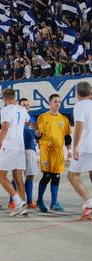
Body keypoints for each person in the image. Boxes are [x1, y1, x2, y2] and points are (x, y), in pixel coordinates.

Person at [0, 88, 29, 217]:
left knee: (0, 176)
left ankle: (18, 203)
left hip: (10, 146)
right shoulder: (23, 109)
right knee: (18, 178)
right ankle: (23, 208)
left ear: (4, 98)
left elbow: (5, 127)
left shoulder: (5, 110)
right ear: (14, 96)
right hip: (20, 147)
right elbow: (28, 122)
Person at [35, 94, 72, 213]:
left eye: (59, 102)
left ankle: (54, 203)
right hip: (46, 149)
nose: (57, 103)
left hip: (58, 151)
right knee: (46, 176)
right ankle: (40, 201)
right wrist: (37, 137)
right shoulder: (43, 117)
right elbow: (38, 134)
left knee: (56, 177)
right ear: (50, 103)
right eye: (55, 101)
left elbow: (67, 136)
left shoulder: (64, 119)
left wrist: (69, 150)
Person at [67, 81, 92, 220]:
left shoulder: (79, 106)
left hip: (86, 147)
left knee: (72, 176)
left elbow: (79, 126)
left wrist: (75, 146)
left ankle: (89, 204)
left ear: (77, 93)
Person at [19, 98, 38, 209]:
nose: (26, 106)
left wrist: (38, 134)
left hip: (30, 149)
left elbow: (36, 133)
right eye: (23, 105)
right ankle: (13, 201)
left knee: (30, 176)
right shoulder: (16, 118)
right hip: (19, 150)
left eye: (27, 105)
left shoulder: (32, 119)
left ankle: (30, 201)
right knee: (17, 177)